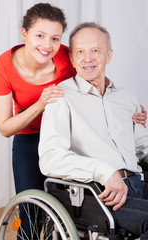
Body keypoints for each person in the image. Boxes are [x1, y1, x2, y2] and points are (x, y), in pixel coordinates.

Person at [39, 22, 148, 239]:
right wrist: (104, 171)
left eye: (95, 51)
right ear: (72, 58)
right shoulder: (61, 98)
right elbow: (50, 158)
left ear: (109, 55)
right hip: (99, 195)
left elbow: (141, 146)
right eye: (80, 52)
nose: (87, 58)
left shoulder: (125, 98)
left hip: (139, 183)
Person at [0, 3, 75, 239]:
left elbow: (94, 75)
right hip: (27, 137)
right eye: (40, 35)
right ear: (24, 34)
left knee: (65, 210)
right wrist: (40, 103)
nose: (48, 46)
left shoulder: (66, 57)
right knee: (29, 210)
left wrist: (128, 107)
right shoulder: (4, 66)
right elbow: (5, 127)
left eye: (55, 38)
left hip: (63, 136)